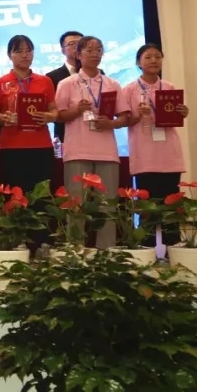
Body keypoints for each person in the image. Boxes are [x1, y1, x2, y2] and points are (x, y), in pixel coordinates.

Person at [54, 35, 129, 249]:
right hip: (77, 151)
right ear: (78, 55)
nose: (95, 54)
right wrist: (77, 110)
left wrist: (111, 123)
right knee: (76, 205)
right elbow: (59, 116)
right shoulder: (67, 83)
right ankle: (76, 250)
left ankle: (106, 250)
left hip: (107, 152)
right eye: (89, 50)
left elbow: (124, 117)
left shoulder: (112, 84)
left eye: (98, 50)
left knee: (107, 206)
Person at [0, 35, 59, 250]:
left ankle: (42, 241)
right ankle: (18, 239)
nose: (24, 55)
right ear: (9, 55)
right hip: (13, 148)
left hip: (41, 147)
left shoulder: (45, 81)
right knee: (15, 193)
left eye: (28, 50)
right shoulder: (0, 84)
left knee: (41, 196)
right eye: (18, 51)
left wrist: (48, 117)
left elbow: (55, 111)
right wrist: (4, 118)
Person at [123, 43, 188, 246]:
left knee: (171, 206)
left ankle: (173, 248)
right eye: (148, 57)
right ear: (138, 62)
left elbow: (176, 117)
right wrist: (137, 115)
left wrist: (183, 112)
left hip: (169, 154)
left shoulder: (169, 87)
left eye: (157, 57)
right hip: (145, 155)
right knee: (147, 208)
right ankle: (148, 249)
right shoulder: (129, 89)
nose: (153, 60)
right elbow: (124, 120)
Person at [46, 31, 84, 144]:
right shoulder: (52, 77)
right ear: (63, 50)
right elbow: (51, 109)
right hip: (65, 134)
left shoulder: (98, 73)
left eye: (80, 43)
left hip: (93, 131)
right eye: (72, 44)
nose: (77, 47)